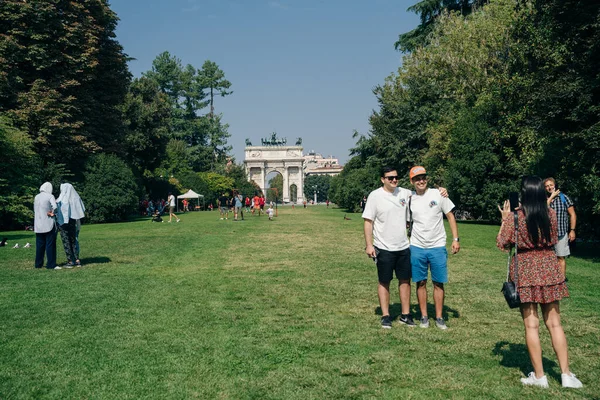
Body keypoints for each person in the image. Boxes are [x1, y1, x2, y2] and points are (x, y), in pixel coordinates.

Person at [497, 176, 582, 389]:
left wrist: (505, 218)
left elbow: (502, 243)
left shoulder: (515, 218)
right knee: (555, 323)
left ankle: (540, 376)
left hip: (525, 268)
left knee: (531, 325)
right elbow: (555, 238)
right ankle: (566, 374)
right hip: (548, 266)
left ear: (524, 194)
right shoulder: (551, 215)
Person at [362, 167, 415, 329]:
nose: (394, 180)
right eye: (390, 178)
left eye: (396, 177)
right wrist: (369, 245)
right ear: (382, 179)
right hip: (383, 247)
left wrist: (440, 191)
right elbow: (368, 222)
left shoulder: (405, 193)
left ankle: (406, 315)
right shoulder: (375, 196)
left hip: (403, 246)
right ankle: (386, 316)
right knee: (384, 281)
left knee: (405, 281)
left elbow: (423, 193)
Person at [408, 166, 459, 330]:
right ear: (412, 181)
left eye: (423, 177)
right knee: (420, 282)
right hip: (417, 246)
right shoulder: (409, 199)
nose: (421, 181)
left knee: (438, 283)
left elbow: (450, 216)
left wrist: (455, 239)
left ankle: (439, 317)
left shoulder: (438, 194)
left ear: (426, 179)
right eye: (417, 179)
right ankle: (424, 316)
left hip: (437, 246)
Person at [544, 178, 577, 278]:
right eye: (547, 186)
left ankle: (561, 280)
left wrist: (572, 230)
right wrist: (551, 198)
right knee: (547, 258)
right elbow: (542, 211)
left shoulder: (564, 198)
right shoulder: (544, 199)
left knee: (560, 257)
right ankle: (550, 278)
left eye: (551, 185)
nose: (549, 187)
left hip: (561, 234)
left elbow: (572, 215)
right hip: (547, 234)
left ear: (555, 185)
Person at [56, 183, 86, 268]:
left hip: (64, 223)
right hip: (73, 222)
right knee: (73, 241)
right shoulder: (76, 197)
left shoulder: (62, 199)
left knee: (66, 241)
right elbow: (82, 209)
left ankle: (70, 260)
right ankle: (77, 259)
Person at [34, 182, 59, 270]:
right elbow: (55, 207)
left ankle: (38, 263)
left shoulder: (36, 197)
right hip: (48, 223)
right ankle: (51, 264)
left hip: (38, 225)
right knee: (50, 244)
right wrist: (52, 212)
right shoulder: (50, 196)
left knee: (40, 245)